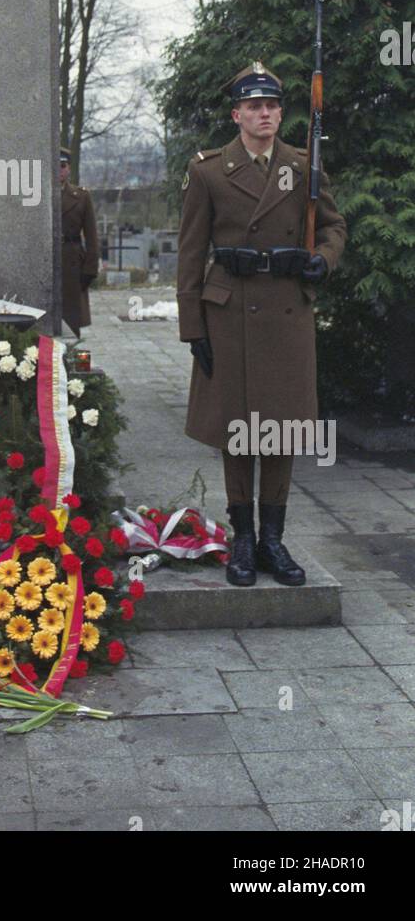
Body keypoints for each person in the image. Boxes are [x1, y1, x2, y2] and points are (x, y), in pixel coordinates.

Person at [177, 63, 346, 588]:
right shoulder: (209, 171)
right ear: (237, 115)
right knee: (239, 431)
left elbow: (335, 225)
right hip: (230, 312)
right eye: (254, 106)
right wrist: (192, 329)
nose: (265, 114)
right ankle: (243, 540)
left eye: (272, 106)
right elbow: (190, 253)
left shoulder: (302, 164)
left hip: (287, 308)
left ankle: (274, 539)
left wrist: (323, 258)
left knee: (282, 427)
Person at [60, 145, 100, 337]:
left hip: (71, 261)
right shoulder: (36, 195)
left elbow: (91, 236)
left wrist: (90, 269)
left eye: (63, 166)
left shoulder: (81, 196)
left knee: (70, 321)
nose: (59, 170)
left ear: (68, 169)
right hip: (46, 259)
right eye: (55, 166)